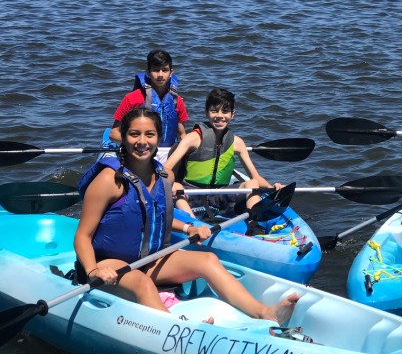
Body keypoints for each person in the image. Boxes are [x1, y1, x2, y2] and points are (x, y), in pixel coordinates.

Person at [74, 107, 299, 323]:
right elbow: (83, 236)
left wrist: (188, 228)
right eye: (134, 134)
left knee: (208, 260)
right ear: (123, 137)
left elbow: (156, 217)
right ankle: (178, 330)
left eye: (149, 134)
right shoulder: (109, 180)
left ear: (159, 138)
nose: (142, 141)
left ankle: (264, 313)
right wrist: (94, 269)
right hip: (109, 265)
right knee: (142, 284)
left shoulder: (165, 177)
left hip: (148, 259)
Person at [164, 88, 282, 219]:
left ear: (232, 114)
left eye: (225, 111)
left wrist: (272, 187)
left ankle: (254, 224)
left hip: (221, 194)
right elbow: (166, 168)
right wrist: (171, 185)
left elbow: (256, 177)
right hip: (192, 193)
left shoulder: (237, 143)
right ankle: (193, 224)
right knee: (177, 186)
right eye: (214, 111)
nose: (219, 115)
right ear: (206, 112)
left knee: (252, 183)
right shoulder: (193, 138)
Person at [108, 50, 189, 160]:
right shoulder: (132, 98)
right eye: (156, 70)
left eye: (165, 70)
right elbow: (113, 134)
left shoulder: (177, 101)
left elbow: (182, 134)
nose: (160, 75)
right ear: (148, 72)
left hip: (167, 153)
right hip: (139, 152)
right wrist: (137, 144)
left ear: (171, 72)